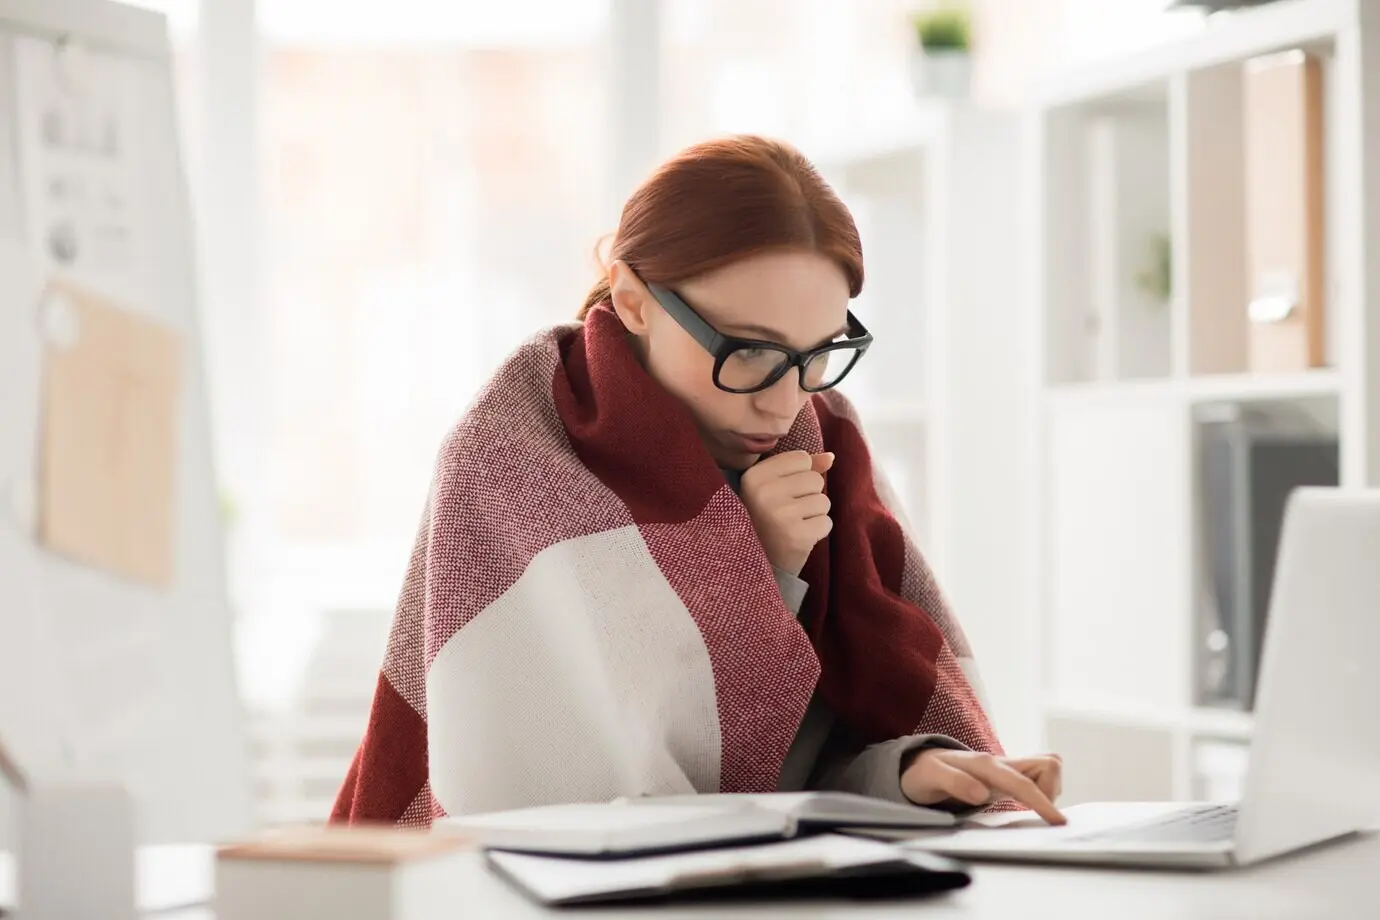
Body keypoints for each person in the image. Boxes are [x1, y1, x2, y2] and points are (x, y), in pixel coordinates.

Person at [331, 135, 1065, 828]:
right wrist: (761, 562)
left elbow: (792, 777)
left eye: (819, 354)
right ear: (633, 299)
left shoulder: (828, 441)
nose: (784, 401)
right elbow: (605, 794)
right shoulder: (513, 458)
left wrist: (912, 772)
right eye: (749, 351)